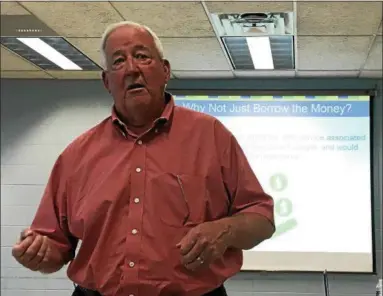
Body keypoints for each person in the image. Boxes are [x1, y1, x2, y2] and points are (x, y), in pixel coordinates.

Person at [11, 21, 275, 296]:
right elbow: (55, 247)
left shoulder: (211, 136)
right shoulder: (76, 155)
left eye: (142, 56)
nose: (132, 69)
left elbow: (262, 218)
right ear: (106, 81)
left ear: (165, 70)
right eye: (118, 61)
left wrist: (226, 229)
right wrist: (37, 252)